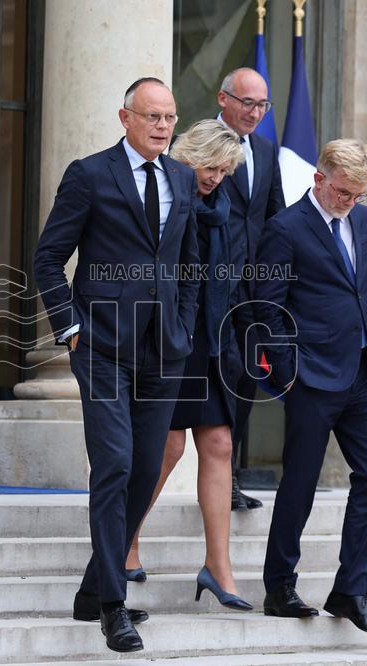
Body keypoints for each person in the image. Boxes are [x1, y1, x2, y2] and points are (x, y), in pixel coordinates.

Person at [32, 78, 200, 653]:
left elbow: (186, 261)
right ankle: (112, 604)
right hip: (101, 346)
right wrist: (70, 328)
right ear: (124, 117)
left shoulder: (180, 177)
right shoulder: (89, 174)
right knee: (114, 465)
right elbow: (49, 258)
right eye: (151, 116)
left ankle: (89, 589)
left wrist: (186, 322)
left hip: (164, 351)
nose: (162, 126)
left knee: (146, 466)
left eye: (169, 117)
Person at [253, 139, 367, 640]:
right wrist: (289, 374)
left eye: (357, 194)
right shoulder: (284, 229)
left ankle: (351, 590)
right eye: (342, 191)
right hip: (311, 376)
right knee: (300, 483)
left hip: (362, 372)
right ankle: (279, 587)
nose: (348, 202)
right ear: (319, 178)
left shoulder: (364, 219)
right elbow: (266, 309)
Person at [123, 119, 251, 611]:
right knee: (169, 445)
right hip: (166, 334)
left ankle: (219, 568)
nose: (215, 178)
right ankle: (126, 540)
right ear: (187, 156)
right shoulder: (163, 194)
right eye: (209, 167)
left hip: (212, 336)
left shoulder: (222, 208)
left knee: (219, 441)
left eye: (224, 171)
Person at [216, 67, 286, 511]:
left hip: (255, 288)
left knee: (246, 378)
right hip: (213, 282)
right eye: (248, 103)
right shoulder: (201, 142)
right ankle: (217, 474)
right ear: (223, 99)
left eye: (263, 105)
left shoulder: (266, 148)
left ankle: (232, 477)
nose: (256, 113)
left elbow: (275, 217)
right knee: (219, 378)